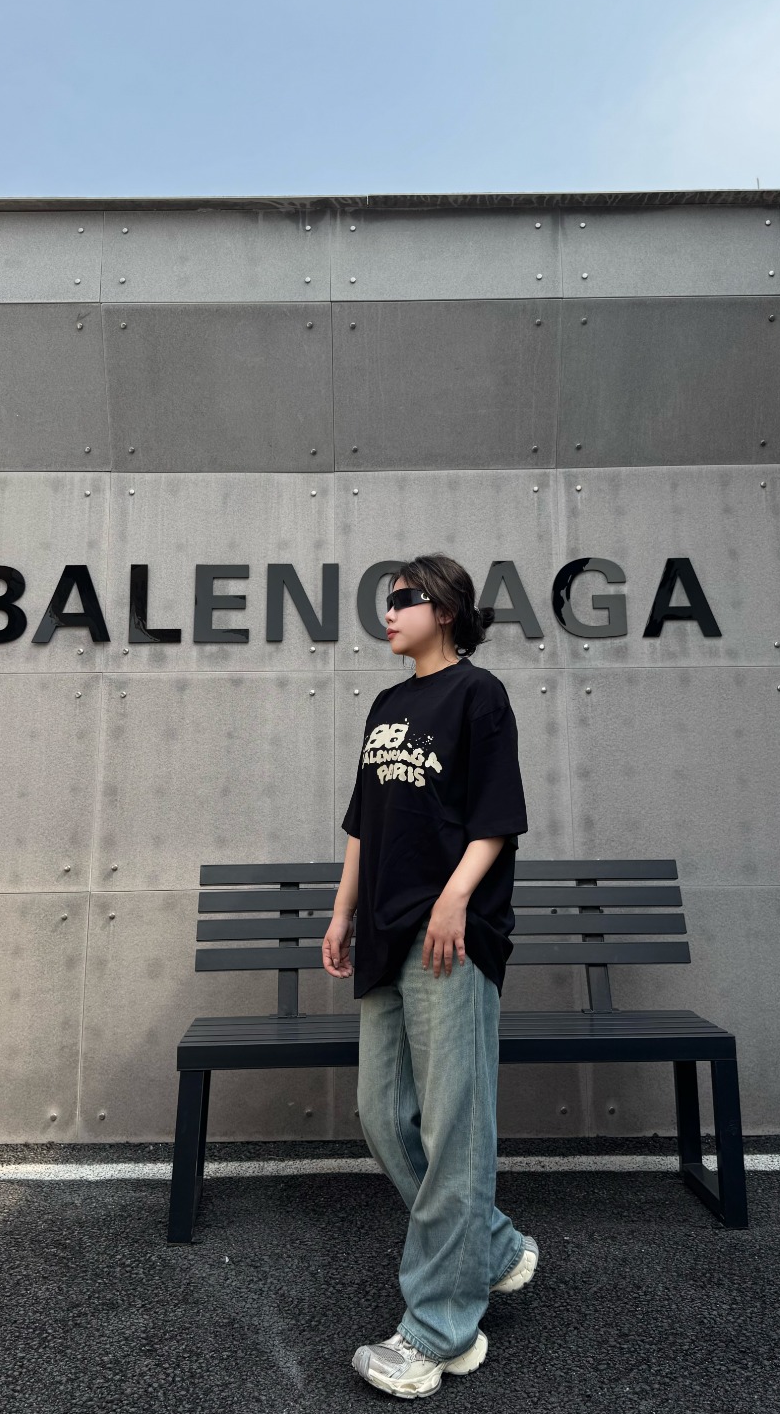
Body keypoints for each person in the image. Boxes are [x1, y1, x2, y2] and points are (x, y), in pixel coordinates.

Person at [322, 552, 540, 1400]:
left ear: (445, 608)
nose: (389, 611)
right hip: (383, 933)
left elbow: (497, 817)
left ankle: (440, 1331)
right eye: (386, 600)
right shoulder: (385, 706)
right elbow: (363, 826)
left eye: (405, 598)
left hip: (449, 935)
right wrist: (342, 911)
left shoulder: (478, 695)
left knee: (454, 1130)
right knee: (382, 1114)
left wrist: (454, 900)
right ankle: (492, 1245)